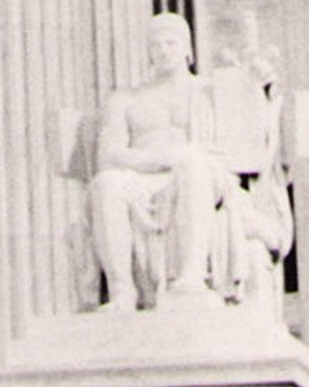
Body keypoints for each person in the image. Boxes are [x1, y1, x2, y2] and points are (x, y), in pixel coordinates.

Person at [88, 12, 291, 312]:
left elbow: (254, 138)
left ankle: (192, 277)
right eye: (155, 45)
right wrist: (160, 158)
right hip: (144, 179)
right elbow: (109, 155)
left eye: (171, 42)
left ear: (187, 49)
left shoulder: (211, 90)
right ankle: (122, 291)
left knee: (191, 161)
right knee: (106, 183)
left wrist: (259, 88)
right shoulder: (125, 99)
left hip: (203, 177)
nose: (163, 50)